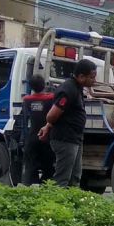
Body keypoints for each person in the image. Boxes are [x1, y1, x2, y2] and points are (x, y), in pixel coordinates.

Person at [39, 58, 96, 188]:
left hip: (74, 138)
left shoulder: (77, 88)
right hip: (65, 139)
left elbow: (65, 113)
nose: (94, 80)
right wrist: (48, 124)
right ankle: (56, 206)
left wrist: (48, 126)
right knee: (63, 179)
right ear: (81, 76)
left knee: (75, 177)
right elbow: (51, 116)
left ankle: (71, 205)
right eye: (92, 77)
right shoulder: (68, 89)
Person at [21, 74, 55, 185]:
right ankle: (44, 187)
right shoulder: (50, 99)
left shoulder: (26, 100)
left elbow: (25, 118)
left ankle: (28, 188)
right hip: (47, 138)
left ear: (31, 87)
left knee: (30, 166)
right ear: (44, 85)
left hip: (32, 137)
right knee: (48, 167)